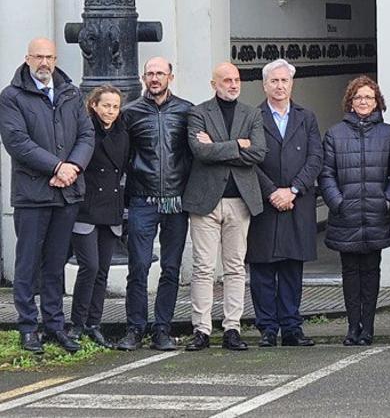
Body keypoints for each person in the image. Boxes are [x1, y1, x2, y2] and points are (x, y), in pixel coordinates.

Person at [0, 38, 94, 354]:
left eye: (49, 57)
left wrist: (73, 167)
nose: (44, 62)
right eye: (38, 56)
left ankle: (54, 326)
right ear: (27, 58)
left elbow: (86, 135)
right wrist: (57, 165)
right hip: (32, 194)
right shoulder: (12, 97)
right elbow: (17, 142)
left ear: (55, 59)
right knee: (27, 265)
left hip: (67, 193)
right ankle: (28, 327)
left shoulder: (71, 93)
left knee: (55, 265)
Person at [182, 62, 267, 352]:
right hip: (205, 200)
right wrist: (237, 145)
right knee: (203, 267)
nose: (233, 84)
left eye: (236, 79)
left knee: (234, 267)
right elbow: (200, 151)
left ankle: (232, 327)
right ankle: (201, 329)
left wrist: (220, 145)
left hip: (239, 201)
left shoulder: (252, 113)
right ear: (213, 83)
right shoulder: (197, 112)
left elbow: (257, 152)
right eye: (226, 80)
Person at [117, 56, 193, 352]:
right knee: (138, 266)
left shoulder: (186, 111)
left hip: (176, 200)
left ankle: (162, 328)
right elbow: (121, 155)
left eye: (160, 73)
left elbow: (194, 152)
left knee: (171, 267)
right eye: (150, 73)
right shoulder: (130, 113)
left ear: (171, 77)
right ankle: (135, 328)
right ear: (143, 78)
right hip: (142, 199)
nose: (155, 78)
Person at [320, 76, 390, 346]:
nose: (364, 102)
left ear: (377, 101)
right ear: (350, 102)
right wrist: (338, 202)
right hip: (347, 214)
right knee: (350, 273)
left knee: (371, 271)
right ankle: (351, 327)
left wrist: (388, 200)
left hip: (376, 214)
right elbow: (326, 174)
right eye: (358, 97)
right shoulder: (335, 133)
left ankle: (368, 328)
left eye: (369, 97)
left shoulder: (389, 134)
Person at [249, 59, 323, 348]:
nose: (280, 86)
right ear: (264, 84)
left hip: (297, 201)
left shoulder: (307, 117)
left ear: (292, 84)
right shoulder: (252, 117)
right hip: (265, 203)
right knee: (263, 268)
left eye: (285, 81)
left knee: (293, 266)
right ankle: (267, 327)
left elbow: (315, 157)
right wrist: (272, 192)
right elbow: (249, 161)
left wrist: (292, 190)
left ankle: (292, 327)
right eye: (274, 81)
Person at [69, 85, 128, 349]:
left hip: (111, 207)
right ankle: (77, 324)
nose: (111, 111)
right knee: (89, 267)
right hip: (86, 206)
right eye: (106, 105)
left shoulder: (123, 133)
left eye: (115, 107)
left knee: (102, 270)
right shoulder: (84, 131)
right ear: (94, 105)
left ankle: (94, 324)